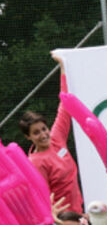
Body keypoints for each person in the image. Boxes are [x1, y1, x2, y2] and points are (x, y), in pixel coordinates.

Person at [20, 55, 82, 212]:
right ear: (28, 137)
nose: (43, 134)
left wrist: (63, 67)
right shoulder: (35, 162)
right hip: (63, 219)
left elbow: (65, 105)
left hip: (79, 210)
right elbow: (42, 198)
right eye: (36, 133)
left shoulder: (56, 139)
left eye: (43, 129)